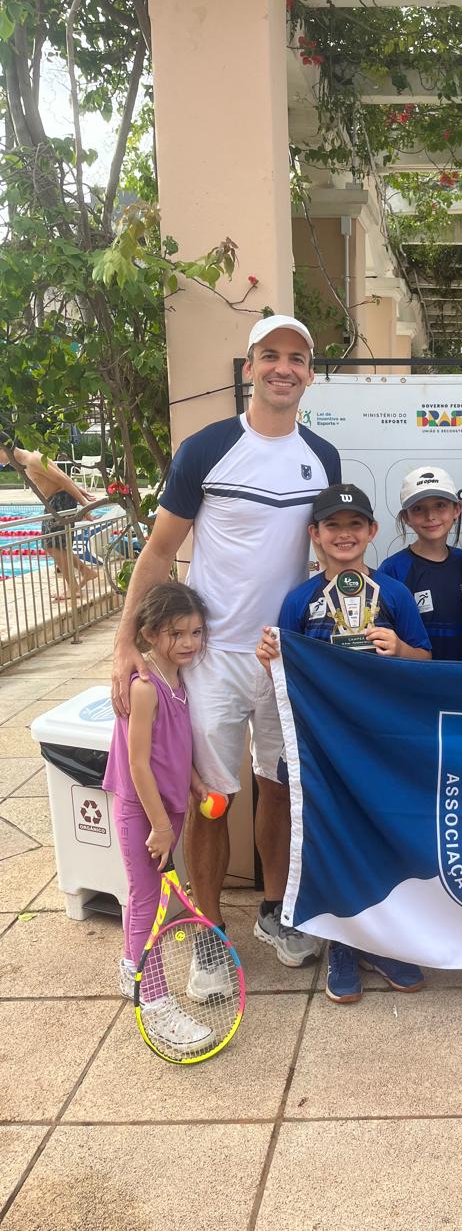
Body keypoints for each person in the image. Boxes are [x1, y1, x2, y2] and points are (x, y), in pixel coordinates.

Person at [110, 315, 341, 992]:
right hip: (209, 657)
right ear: (249, 368)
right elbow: (159, 551)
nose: (283, 368)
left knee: (280, 788)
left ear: (309, 374)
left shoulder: (322, 456)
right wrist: (125, 643)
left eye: (296, 358)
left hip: (283, 655)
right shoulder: (207, 448)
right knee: (210, 798)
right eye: (270, 356)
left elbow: (331, 551)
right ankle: (208, 933)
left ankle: (274, 912)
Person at [256, 483, 431, 1004]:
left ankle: (379, 942)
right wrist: (271, 659)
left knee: (377, 836)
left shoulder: (394, 594)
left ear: (372, 531)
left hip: (379, 742)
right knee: (328, 839)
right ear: (315, 534)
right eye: (333, 525)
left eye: (355, 524)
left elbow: (426, 661)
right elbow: (282, 677)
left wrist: (400, 648)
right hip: (322, 745)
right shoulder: (299, 600)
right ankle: (342, 945)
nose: (344, 534)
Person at [103, 581, 214, 1054]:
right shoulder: (145, 687)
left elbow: (174, 745)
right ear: (149, 634)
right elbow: (138, 764)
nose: (189, 642)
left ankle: (132, 968)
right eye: (176, 633)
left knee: (145, 897)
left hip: (169, 806)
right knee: (149, 903)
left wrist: (194, 781)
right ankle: (154, 1001)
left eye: (196, 632)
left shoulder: (178, 680)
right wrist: (161, 827)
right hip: (143, 811)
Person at [377, 465, 462, 661]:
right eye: (418, 508)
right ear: (406, 517)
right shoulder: (392, 570)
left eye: (440, 505)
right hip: (418, 676)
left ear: (457, 509)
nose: (430, 516)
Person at [0, 443, 98, 600]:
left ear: (3, 449)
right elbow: (61, 474)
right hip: (55, 501)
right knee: (53, 546)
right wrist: (80, 491)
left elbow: (61, 479)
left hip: (60, 500)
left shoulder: (31, 460)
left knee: (54, 546)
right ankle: (85, 572)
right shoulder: (29, 457)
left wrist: (84, 506)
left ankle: (74, 588)